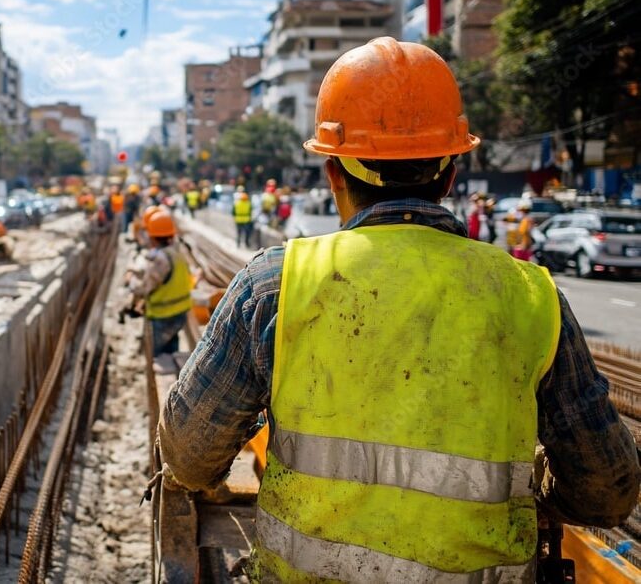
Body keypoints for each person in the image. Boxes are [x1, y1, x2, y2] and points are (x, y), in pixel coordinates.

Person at [158, 37, 639, 582]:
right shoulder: (532, 296)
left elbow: (189, 456)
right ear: (450, 175)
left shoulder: (276, 284)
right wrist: (540, 491)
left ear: (333, 173)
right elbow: (607, 490)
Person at [129, 209, 191, 357]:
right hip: (181, 311)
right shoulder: (178, 250)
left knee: (158, 355)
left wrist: (131, 280)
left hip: (163, 314)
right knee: (172, 348)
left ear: (153, 237)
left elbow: (143, 288)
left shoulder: (160, 259)